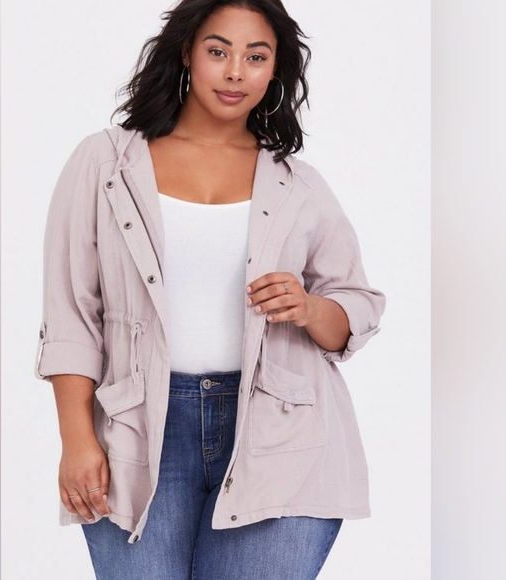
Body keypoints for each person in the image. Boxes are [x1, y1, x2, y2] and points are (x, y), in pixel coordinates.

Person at [34, 0, 386, 578]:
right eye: (218, 51)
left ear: (274, 71)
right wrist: (76, 441)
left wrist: (308, 306)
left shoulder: (297, 184)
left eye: (256, 57)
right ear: (187, 54)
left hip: (280, 436)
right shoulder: (105, 164)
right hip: (138, 431)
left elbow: (356, 307)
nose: (235, 72)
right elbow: (72, 314)